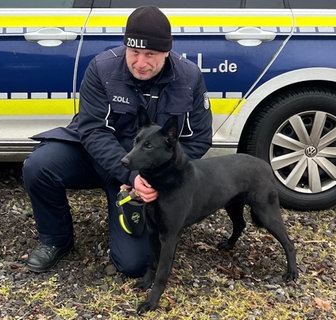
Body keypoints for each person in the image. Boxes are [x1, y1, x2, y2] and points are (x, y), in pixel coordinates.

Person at [22, 5, 212, 278]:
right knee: (39, 166)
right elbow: (92, 131)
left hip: (147, 174)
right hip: (95, 156)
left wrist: (157, 179)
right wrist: (129, 174)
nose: (141, 62)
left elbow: (199, 140)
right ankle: (56, 239)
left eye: (151, 55)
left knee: (134, 265)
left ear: (167, 52)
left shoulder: (190, 77)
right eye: (134, 53)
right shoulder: (102, 68)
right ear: (126, 47)